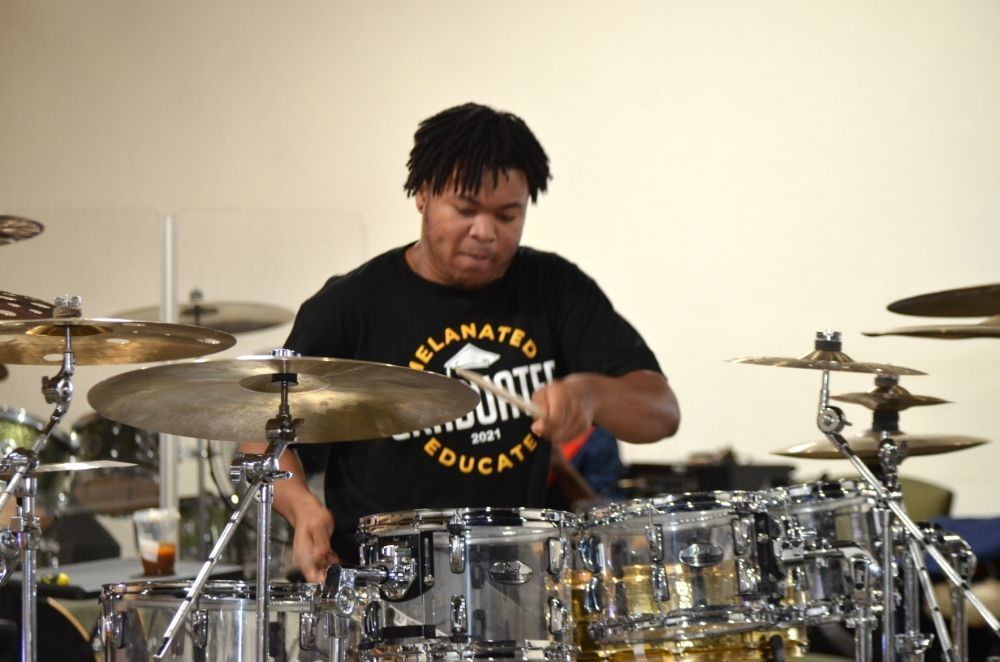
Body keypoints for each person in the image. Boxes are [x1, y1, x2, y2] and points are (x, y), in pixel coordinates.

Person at [249, 102, 680, 582]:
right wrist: (302, 506)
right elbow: (259, 435)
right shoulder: (352, 305)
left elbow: (661, 411)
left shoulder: (554, 289)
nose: (485, 231)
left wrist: (591, 394)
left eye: (507, 215)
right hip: (386, 587)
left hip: (519, 580)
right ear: (423, 194)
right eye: (466, 209)